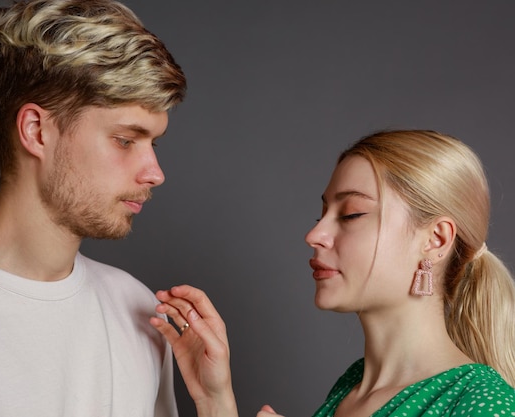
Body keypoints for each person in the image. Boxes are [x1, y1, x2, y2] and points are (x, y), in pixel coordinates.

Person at [0, 1, 186, 416]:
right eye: (125, 140)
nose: (155, 173)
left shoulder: (136, 309)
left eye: (153, 143)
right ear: (36, 131)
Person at [151, 130, 515, 416]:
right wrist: (216, 401)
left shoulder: (482, 403)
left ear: (436, 239)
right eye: (321, 214)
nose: (314, 235)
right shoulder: (350, 388)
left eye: (352, 214)